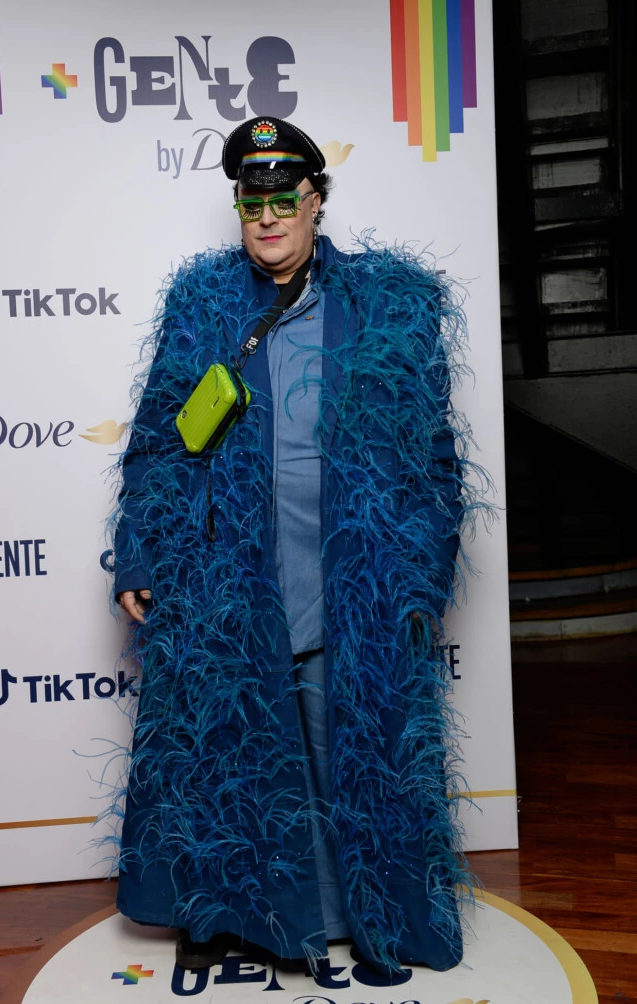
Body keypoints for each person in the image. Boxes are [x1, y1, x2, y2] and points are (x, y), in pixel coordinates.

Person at [110, 116, 471, 976]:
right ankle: (252, 917)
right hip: (231, 577)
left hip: (355, 578)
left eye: (285, 199)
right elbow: (159, 441)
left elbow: (434, 458)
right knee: (236, 751)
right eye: (252, 202)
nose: (268, 217)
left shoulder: (390, 305)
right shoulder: (202, 305)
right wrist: (139, 554)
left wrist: (421, 576)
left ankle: (369, 914)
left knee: (359, 749)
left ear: (316, 200)